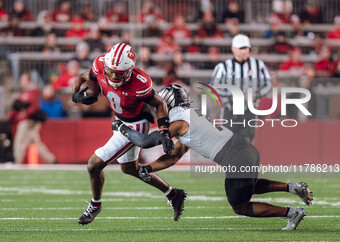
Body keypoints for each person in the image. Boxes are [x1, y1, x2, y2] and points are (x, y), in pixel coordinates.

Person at [112, 84, 314, 231]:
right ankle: (293, 187)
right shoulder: (188, 117)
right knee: (247, 186)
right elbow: (174, 156)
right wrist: (149, 168)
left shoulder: (178, 120)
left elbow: (146, 142)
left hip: (235, 156)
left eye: (161, 105)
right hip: (244, 150)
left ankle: (291, 212)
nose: (159, 109)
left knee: (240, 206)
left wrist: (122, 127)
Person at [72, 43, 186, 225]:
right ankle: (173, 194)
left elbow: (160, 103)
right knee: (129, 169)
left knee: (94, 164)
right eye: (111, 72)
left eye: (119, 73)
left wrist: (164, 130)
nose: (114, 76)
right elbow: (83, 75)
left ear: (130, 70)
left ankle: (95, 205)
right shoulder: (101, 65)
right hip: (121, 118)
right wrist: (75, 95)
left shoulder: (140, 82)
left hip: (136, 125)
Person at [210, 34, 272, 142]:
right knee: (229, 144)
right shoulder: (223, 67)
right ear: (233, 49)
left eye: (245, 48)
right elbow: (213, 89)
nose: (243, 51)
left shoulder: (258, 65)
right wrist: (229, 97)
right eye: (240, 48)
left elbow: (268, 84)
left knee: (246, 144)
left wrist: (256, 94)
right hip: (230, 111)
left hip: (249, 111)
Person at [7, 73, 57, 164]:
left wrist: (25, 113)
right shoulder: (25, 92)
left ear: (28, 81)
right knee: (36, 143)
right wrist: (10, 117)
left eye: (23, 80)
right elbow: (16, 107)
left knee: (19, 141)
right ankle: (51, 160)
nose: (21, 82)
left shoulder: (31, 92)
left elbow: (34, 107)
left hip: (27, 121)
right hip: (30, 121)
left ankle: (17, 161)